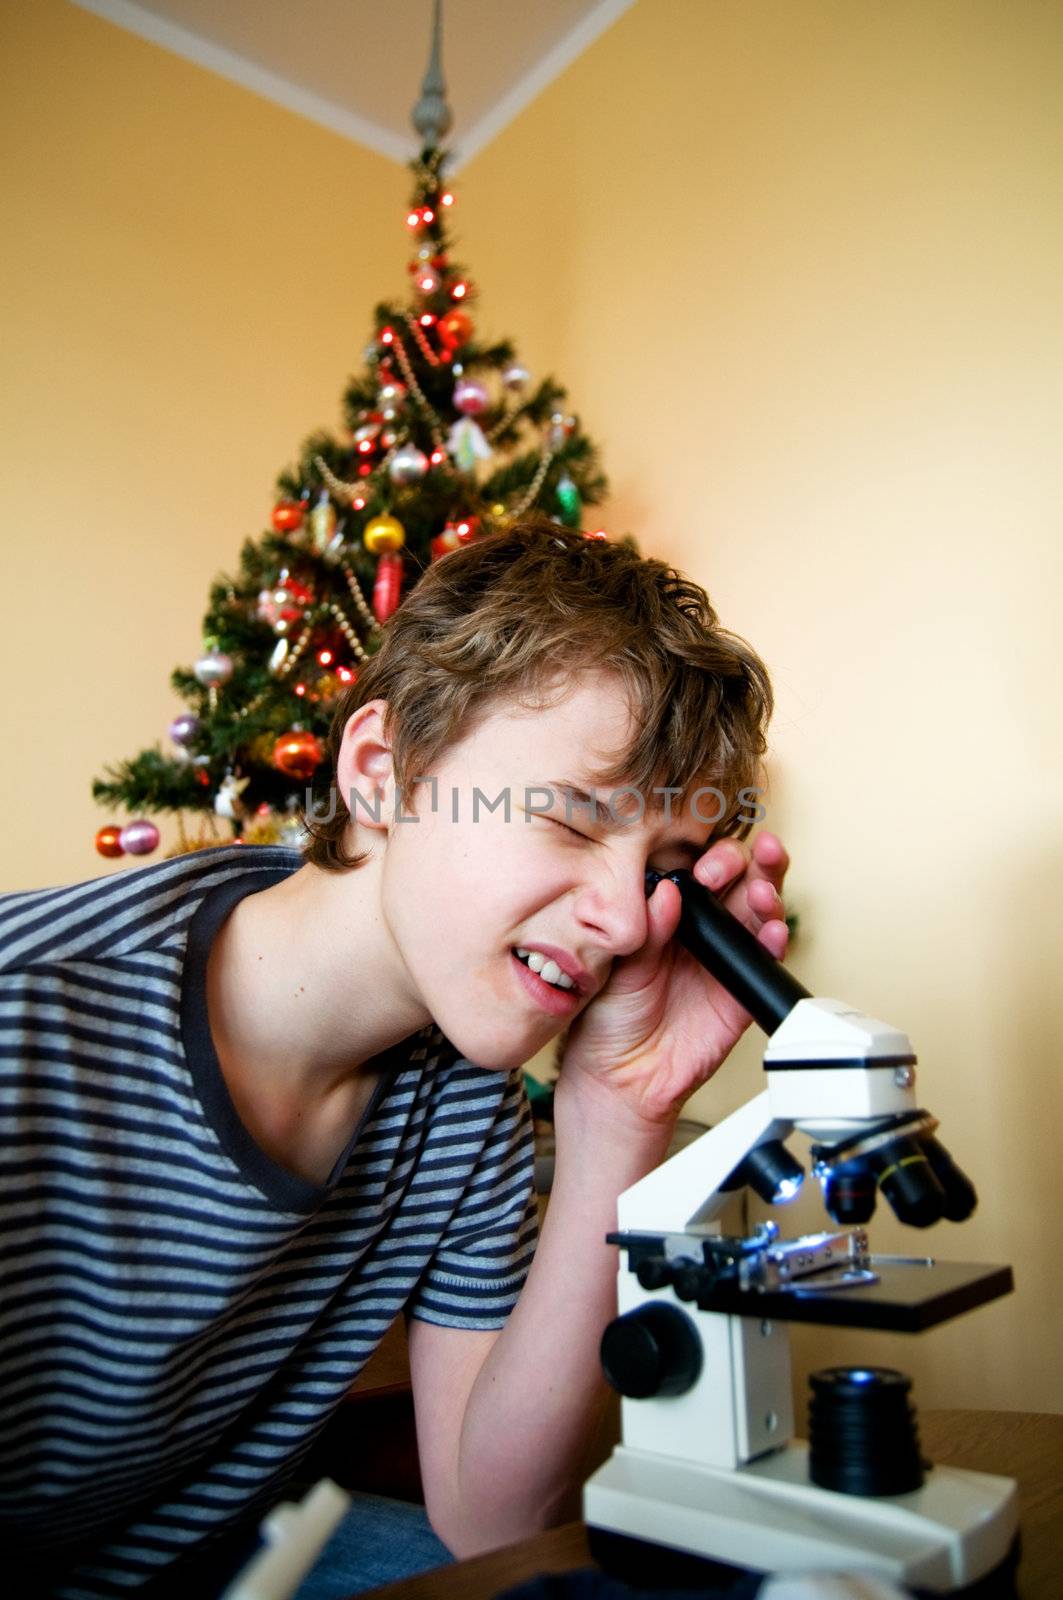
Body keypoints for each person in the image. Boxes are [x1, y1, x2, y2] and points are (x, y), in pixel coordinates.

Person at [0, 522, 790, 1598]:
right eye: (567, 819)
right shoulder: (30, 1017)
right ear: (381, 770)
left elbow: (491, 1514)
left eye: (662, 865)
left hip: (223, 1554)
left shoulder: (467, 1096)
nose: (617, 917)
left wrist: (618, 1108)